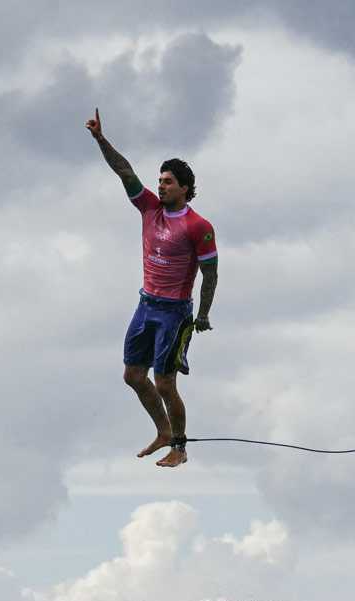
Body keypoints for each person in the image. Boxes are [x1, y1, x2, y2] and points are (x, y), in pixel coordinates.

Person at [86, 108, 218, 468]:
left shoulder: (198, 226)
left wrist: (203, 314)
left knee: (164, 383)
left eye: (168, 182)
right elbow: (124, 171)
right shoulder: (149, 208)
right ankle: (162, 431)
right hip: (146, 305)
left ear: (185, 189)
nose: (160, 186)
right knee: (132, 375)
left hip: (175, 313)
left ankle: (179, 446)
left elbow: (211, 273)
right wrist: (100, 139)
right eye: (160, 180)